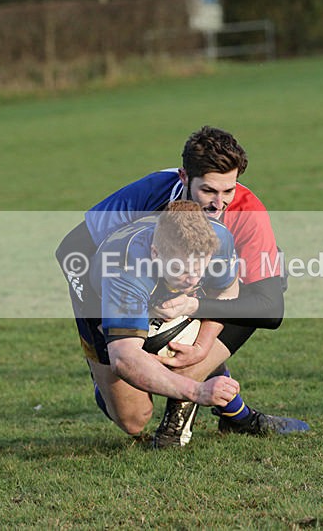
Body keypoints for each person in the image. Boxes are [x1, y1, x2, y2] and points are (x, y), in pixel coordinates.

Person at [57, 125, 308, 448]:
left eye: (228, 190)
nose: (220, 204)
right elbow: (71, 248)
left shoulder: (244, 213)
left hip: (191, 289)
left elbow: (270, 309)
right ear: (184, 178)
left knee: (229, 307)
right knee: (132, 420)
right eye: (208, 191)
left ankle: (220, 417)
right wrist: (97, 318)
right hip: (119, 283)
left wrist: (198, 324)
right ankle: (122, 377)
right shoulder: (151, 193)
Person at [80, 200, 243, 437]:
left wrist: (202, 345)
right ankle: (102, 384)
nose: (194, 280)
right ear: (156, 254)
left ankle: (230, 403)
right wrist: (198, 392)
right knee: (133, 420)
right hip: (100, 301)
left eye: (200, 270)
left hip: (158, 294)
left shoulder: (218, 239)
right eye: (184, 270)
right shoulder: (126, 269)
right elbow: (124, 358)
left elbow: (227, 294)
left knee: (237, 313)